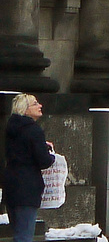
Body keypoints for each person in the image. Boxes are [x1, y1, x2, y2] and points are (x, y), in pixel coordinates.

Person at [2, 94, 54, 242]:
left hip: (11, 186)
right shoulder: (34, 130)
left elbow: (21, 150)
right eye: (35, 104)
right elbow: (43, 161)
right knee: (24, 236)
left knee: (18, 232)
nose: (40, 106)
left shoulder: (10, 128)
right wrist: (51, 155)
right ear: (25, 110)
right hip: (28, 187)